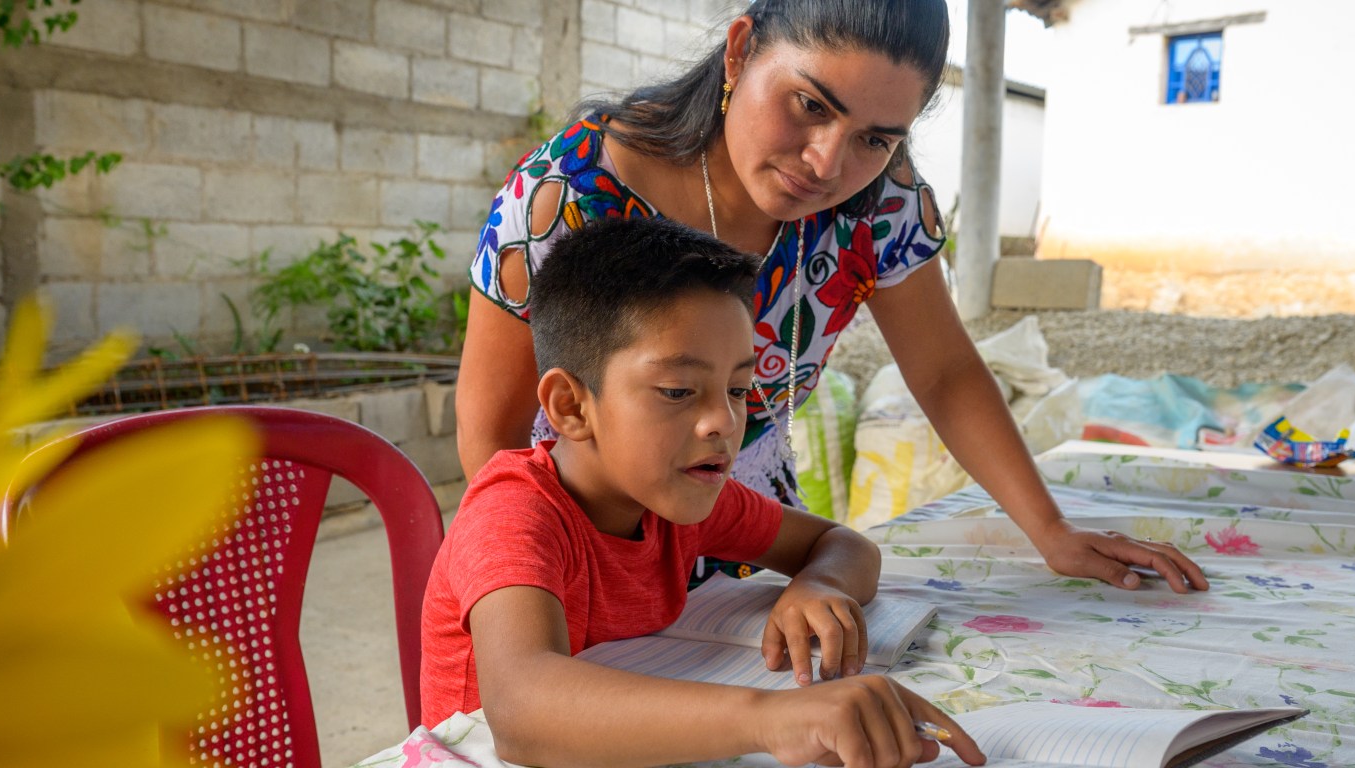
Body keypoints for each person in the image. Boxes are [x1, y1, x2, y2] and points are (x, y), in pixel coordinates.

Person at [457, 0, 1208, 593]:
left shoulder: (882, 201)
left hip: (755, 545)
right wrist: (589, 577)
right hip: (581, 552)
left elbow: (943, 371)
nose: (827, 163)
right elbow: (490, 436)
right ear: (741, 50)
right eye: (811, 105)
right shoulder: (567, 192)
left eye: (876, 138)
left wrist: (1050, 529)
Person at [420, 217, 987, 768]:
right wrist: (773, 719)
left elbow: (843, 543)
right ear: (571, 406)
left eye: (739, 389)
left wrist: (820, 584)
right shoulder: (513, 511)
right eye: (677, 390)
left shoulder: (677, 498)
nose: (723, 420)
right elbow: (523, 711)